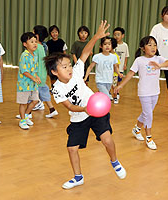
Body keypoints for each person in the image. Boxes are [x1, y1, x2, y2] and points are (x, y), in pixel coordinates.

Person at [45, 21, 126, 189]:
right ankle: (78, 177)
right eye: (64, 67)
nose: (69, 69)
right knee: (72, 148)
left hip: (97, 113)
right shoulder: (57, 88)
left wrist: (97, 36)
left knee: (107, 139)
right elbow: (69, 107)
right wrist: (84, 109)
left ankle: (115, 161)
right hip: (79, 116)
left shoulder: (76, 73)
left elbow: (86, 52)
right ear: (54, 72)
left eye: (69, 65)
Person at [115, 36, 168, 150]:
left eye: (154, 45)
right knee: (149, 114)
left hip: (155, 92)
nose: (153, 47)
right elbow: (130, 74)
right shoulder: (139, 60)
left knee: (147, 112)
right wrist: (120, 85)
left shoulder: (158, 58)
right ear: (143, 48)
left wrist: (159, 65)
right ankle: (149, 137)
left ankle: (136, 129)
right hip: (144, 92)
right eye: (150, 45)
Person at [32, 25, 58, 117]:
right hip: (42, 73)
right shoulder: (42, 46)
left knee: (31, 92)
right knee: (43, 91)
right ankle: (52, 109)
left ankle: (27, 113)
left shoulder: (36, 47)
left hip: (37, 74)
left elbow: (34, 61)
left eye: (33, 33)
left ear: (37, 36)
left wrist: (33, 74)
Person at [16, 32, 41, 130]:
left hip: (32, 84)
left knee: (35, 100)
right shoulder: (24, 55)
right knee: (23, 103)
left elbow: (33, 69)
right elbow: (24, 71)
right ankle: (22, 120)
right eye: (31, 42)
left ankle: (26, 116)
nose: (35, 44)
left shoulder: (34, 55)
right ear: (25, 44)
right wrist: (33, 78)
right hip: (24, 84)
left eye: (35, 41)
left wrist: (36, 77)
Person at [113, 27, 129, 101]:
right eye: (115, 34)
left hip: (120, 67)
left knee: (119, 81)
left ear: (122, 35)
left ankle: (117, 92)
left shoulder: (125, 45)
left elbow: (126, 56)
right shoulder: (112, 45)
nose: (116, 36)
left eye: (118, 34)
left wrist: (125, 64)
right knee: (113, 81)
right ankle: (112, 93)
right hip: (112, 68)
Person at [110, 37, 121, 104]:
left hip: (114, 75)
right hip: (106, 74)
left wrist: (118, 73)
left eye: (109, 44)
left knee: (114, 87)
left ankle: (115, 97)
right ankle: (109, 96)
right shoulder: (105, 55)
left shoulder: (115, 56)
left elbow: (117, 66)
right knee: (107, 86)